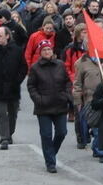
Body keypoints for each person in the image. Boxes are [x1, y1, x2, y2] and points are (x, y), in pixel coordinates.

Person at [26, 40, 72, 173]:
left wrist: (66, 95)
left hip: (60, 104)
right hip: (43, 107)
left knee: (62, 132)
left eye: (49, 49)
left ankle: (51, 152)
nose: (47, 52)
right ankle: (50, 162)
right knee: (46, 135)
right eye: (44, 50)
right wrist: (38, 99)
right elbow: (31, 86)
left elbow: (67, 82)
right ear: (40, 53)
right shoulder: (35, 68)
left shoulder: (60, 65)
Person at [71, 45, 103, 152]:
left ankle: (97, 147)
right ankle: (99, 150)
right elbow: (77, 84)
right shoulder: (81, 63)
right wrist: (78, 101)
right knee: (96, 127)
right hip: (90, 100)